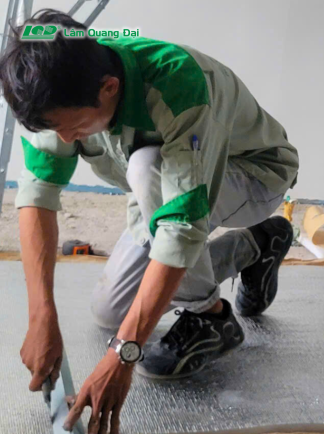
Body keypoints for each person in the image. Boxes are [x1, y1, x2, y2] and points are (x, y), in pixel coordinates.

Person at [0, 9, 298, 433]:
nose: (66, 141)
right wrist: (41, 315)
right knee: (110, 311)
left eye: (75, 128)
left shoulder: (179, 85)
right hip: (165, 188)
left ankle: (212, 319)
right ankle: (255, 246)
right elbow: (37, 196)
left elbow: (181, 228)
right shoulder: (56, 87)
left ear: (109, 88)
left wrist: (123, 353)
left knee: (147, 169)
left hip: (253, 177)